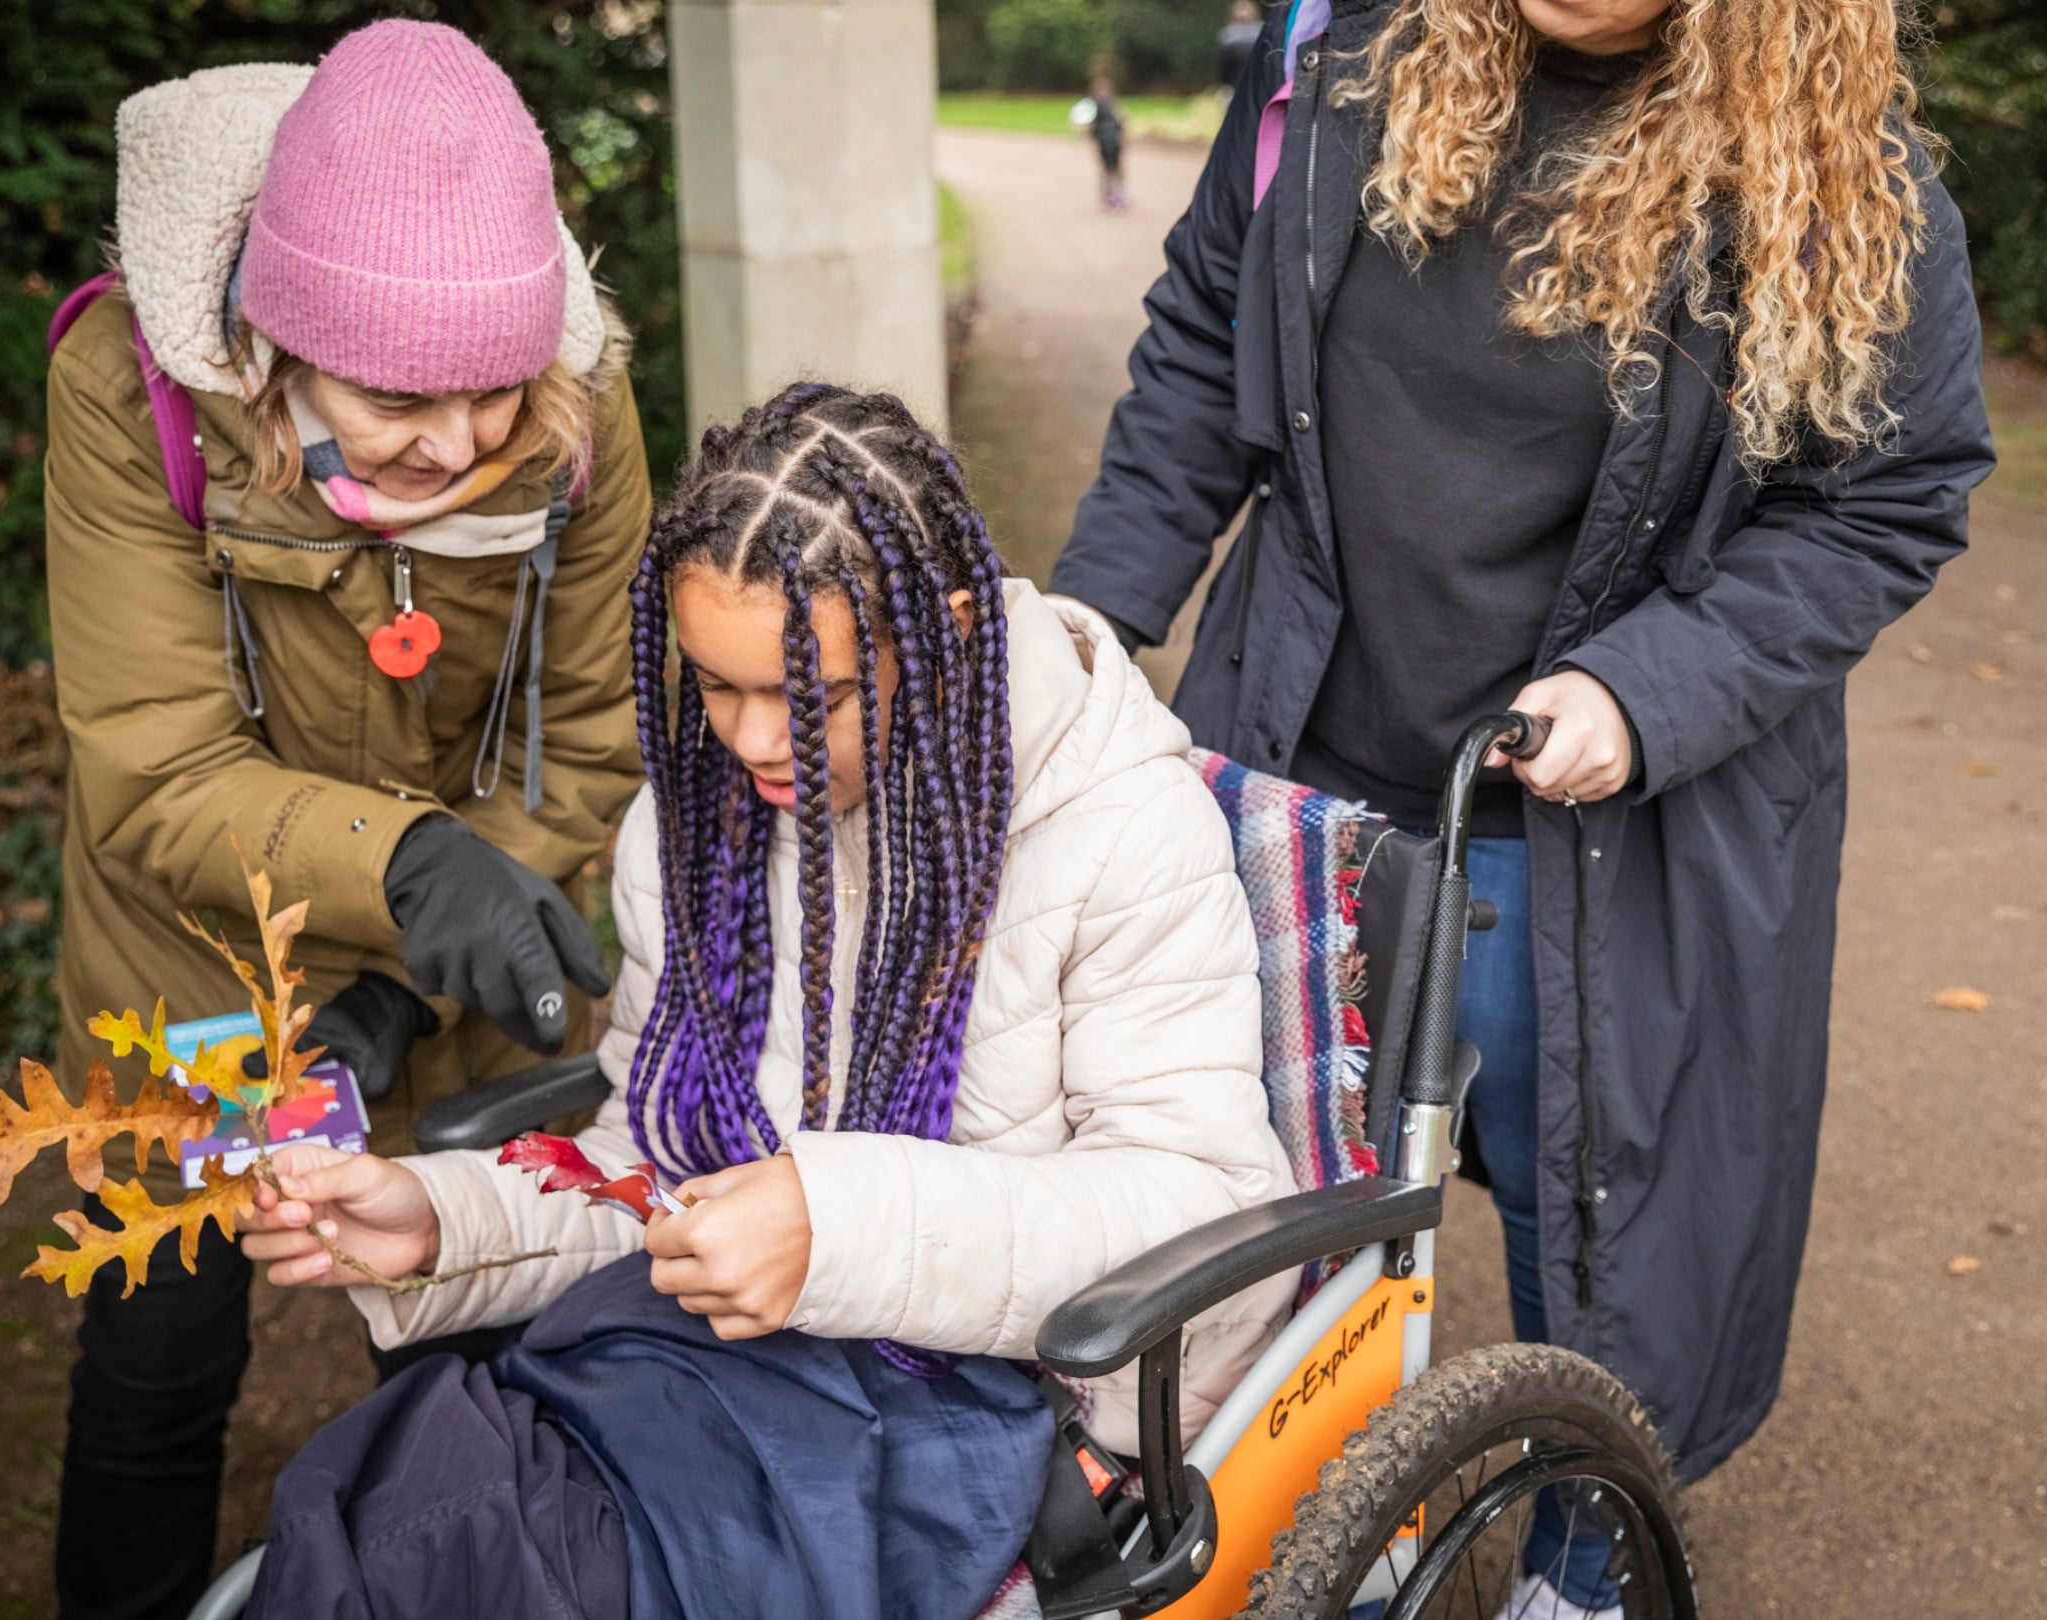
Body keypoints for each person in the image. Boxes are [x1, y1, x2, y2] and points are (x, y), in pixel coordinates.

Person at [1046, 0, 1993, 1610]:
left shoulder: (1835, 166)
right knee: (1269, 1218)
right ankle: (1306, 1534)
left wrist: (1651, 688)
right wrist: (1090, 618)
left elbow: (1887, 498)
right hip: (1305, 787)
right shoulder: (1334, 76)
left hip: (1603, 827)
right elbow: (1210, 344)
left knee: (1597, 1244)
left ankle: (1582, 1562)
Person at [234, 384, 1299, 1619]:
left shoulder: (1115, 829)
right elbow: (649, 1163)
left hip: (976, 1402)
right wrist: (440, 1219)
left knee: (502, 1565)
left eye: (810, 694)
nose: (747, 741)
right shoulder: (690, 826)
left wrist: (830, 1228)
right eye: (715, 686)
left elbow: (1207, 1209)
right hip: (702, 1360)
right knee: (374, 1509)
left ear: (946, 628)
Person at [43, 22, 651, 1618]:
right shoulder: (130, 390)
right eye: (397, 396)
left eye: (495, 393)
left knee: (486, 1347)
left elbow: (587, 728)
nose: (457, 445)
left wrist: (416, 964)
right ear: (279, 342)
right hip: (192, 978)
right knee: (160, 1355)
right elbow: (156, 768)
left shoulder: (581, 413)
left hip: (463, 975)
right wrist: (403, 866)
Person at [1070, 76, 1130, 211]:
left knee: (1108, 169)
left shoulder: (1093, 107)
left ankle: (1111, 195)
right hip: (1113, 141)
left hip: (1106, 141)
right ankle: (1116, 195)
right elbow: (1122, 121)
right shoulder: (1112, 106)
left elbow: (1084, 124)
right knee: (1114, 168)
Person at [1216, 0, 1265, 97]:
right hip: (1259, 88)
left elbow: (1223, 70)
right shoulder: (1265, 35)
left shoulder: (1227, 37)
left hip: (1235, 88)